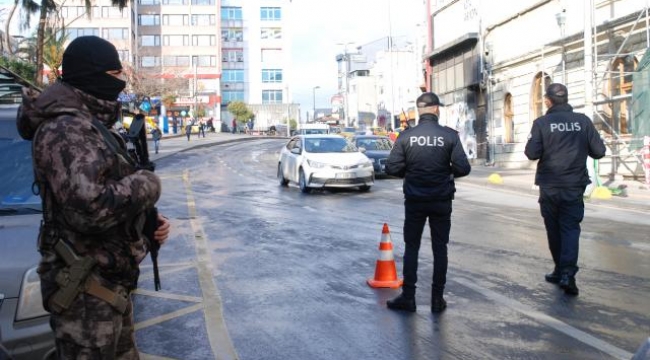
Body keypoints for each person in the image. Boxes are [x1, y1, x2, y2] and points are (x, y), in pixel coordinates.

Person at [17, 35, 171, 359]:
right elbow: (91, 209)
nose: (122, 81)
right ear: (94, 76)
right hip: (86, 295)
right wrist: (147, 185)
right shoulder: (65, 130)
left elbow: (112, 188)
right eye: (116, 74)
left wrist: (147, 225)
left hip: (108, 285)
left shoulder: (93, 125)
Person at [385, 92, 471, 313]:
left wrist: (411, 172)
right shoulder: (449, 136)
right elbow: (463, 168)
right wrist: (445, 173)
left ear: (419, 110)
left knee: (412, 247)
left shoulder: (406, 136)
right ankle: (436, 299)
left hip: (415, 199)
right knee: (440, 248)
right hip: (441, 199)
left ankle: (409, 297)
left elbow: (391, 168)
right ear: (436, 109)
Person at [524, 83, 606, 296]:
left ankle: (561, 269)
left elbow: (531, 153)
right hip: (573, 185)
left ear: (548, 101)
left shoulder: (541, 123)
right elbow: (599, 151)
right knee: (570, 229)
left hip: (550, 186)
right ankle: (567, 274)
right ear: (566, 99)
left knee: (553, 229)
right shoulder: (583, 121)